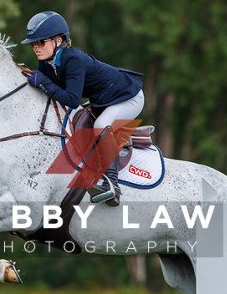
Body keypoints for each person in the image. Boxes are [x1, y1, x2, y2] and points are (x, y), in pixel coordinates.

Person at [22, 11, 144, 207]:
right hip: (103, 100)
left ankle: (112, 185)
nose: (36, 47)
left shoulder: (73, 59)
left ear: (59, 41)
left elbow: (71, 99)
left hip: (129, 97)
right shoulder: (46, 61)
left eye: (41, 42)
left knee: (101, 124)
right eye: (33, 44)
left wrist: (43, 83)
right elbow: (54, 92)